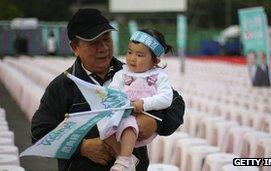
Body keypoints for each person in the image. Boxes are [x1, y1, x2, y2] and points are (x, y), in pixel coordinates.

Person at [30, 8, 185, 171]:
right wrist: (82, 147)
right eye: (93, 43)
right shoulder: (62, 87)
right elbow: (39, 134)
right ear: (75, 47)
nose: (103, 48)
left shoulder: (133, 74)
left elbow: (176, 104)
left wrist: (156, 124)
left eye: (107, 39)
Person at [105, 29, 173, 170]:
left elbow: (166, 98)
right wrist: (120, 102)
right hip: (123, 116)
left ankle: (124, 159)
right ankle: (128, 158)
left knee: (129, 124)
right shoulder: (121, 74)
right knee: (104, 128)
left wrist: (143, 104)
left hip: (142, 120)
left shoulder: (158, 76)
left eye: (139, 55)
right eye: (130, 52)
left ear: (155, 61)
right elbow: (111, 93)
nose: (132, 58)